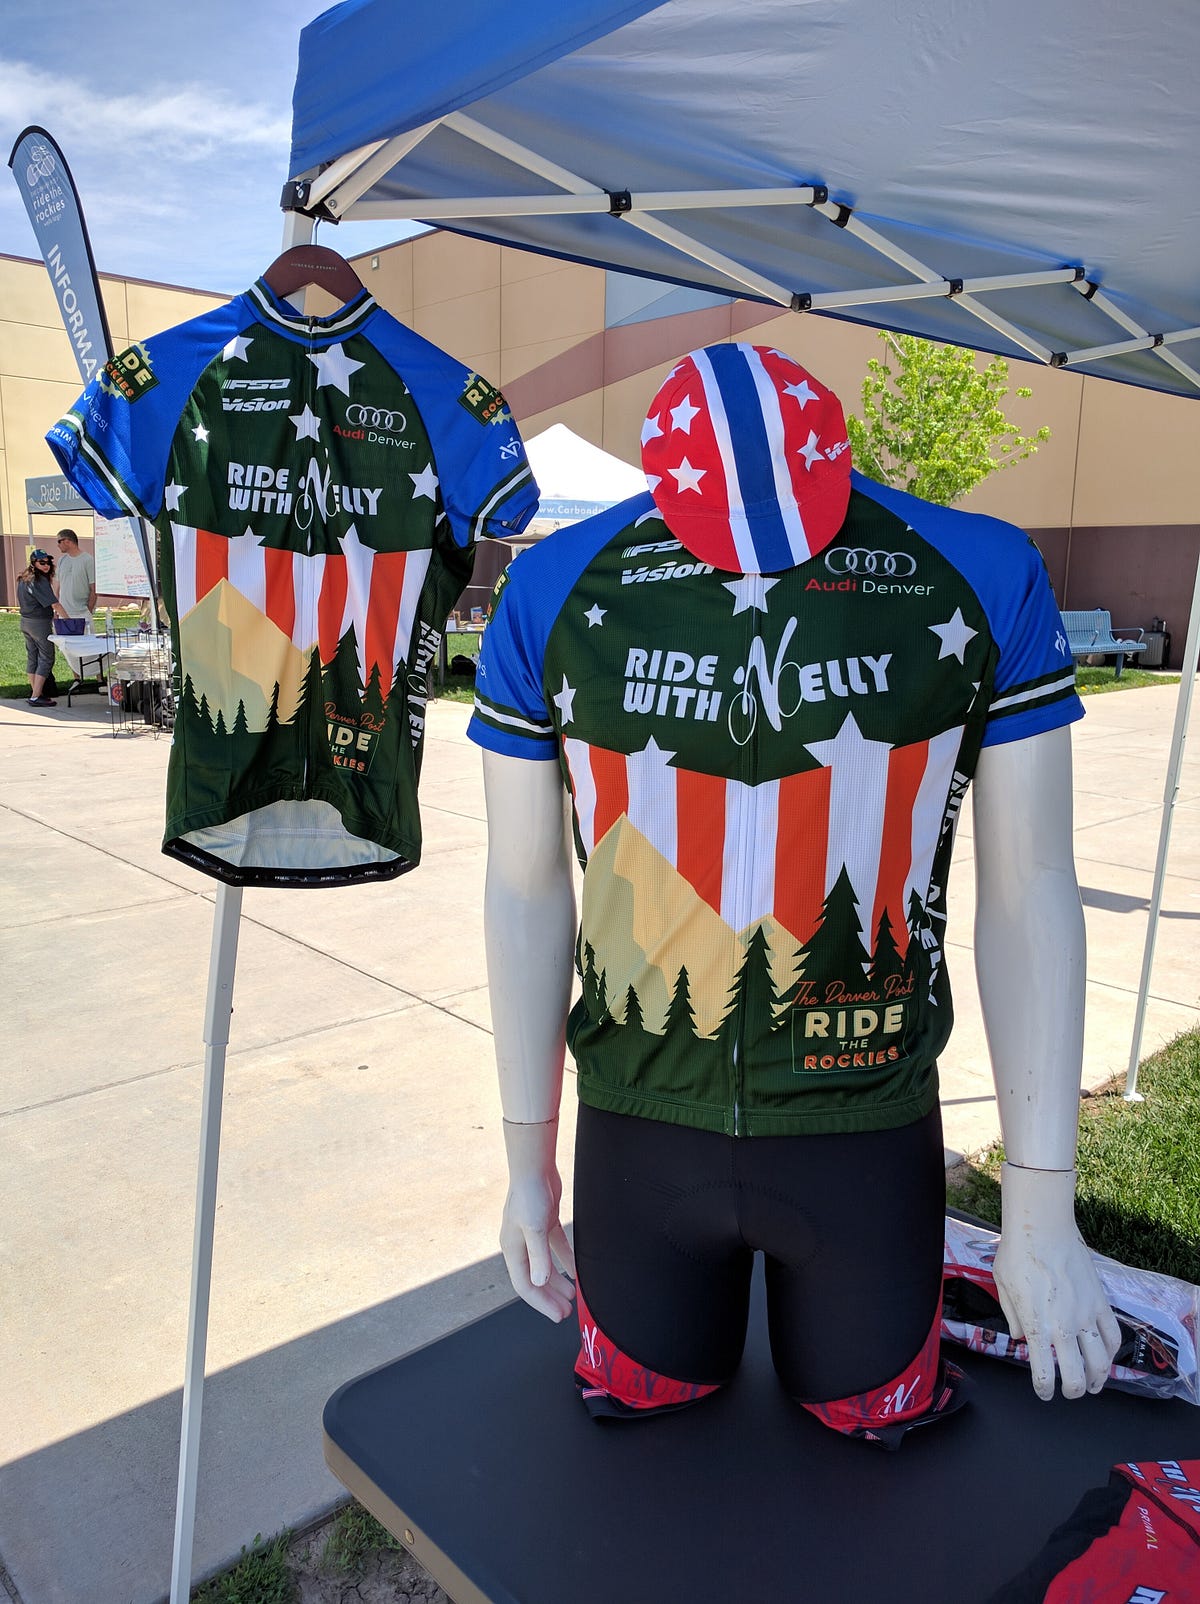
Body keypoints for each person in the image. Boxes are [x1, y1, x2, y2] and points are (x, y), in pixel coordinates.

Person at [469, 344, 1121, 1448]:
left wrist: (1041, 1206)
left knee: (872, 1418)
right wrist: (527, 1161)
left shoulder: (976, 569)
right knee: (646, 1410)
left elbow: (1031, 888)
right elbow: (524, 886)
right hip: (639, 1132)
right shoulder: (555, 587)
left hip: (866, 1133)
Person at [17, 549, 62, 707]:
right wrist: (69, 619)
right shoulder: (39, 580)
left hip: (25, 621)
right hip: (39, 623)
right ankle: (36, 696)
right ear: (34, 563)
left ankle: (36, 693)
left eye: (48, 562)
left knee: (33, 657)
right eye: (42, 562)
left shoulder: (23, 578)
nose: (46, 565)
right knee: (47, 658)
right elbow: (55, 604)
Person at [53, 528, 96, 625]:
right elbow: (59, 587)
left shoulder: (88, 560)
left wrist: (88, 610)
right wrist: (57, 610)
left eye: (59, 541)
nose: (58, 545)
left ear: (67, 541)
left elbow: (94, 589)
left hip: (82, 613)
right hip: (63, 613)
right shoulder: (62, 560)